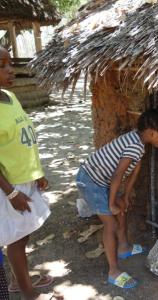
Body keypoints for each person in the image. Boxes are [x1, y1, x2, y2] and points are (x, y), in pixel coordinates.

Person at [76, 109, 158, 289]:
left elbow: (134, 171)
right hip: (90, 180)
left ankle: (124, 248)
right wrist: (112, 203)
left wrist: (124, 197)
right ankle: (113, 272)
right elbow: (118, 175)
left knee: (122, 208)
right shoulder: (135, 146)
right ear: (151, 132)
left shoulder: (139, 142)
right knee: (110, 224)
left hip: (102, 180)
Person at [0, 47, 62, 300]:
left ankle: (17, 282)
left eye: (10, 63)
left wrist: (37, 173)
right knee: (16, 241)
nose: (10, 69)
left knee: (24, 235)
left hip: (24, 181)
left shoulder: (9, 97)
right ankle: (29, 294)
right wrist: (12, 192)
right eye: (1, 65)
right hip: (8, 186)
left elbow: (24, 139)